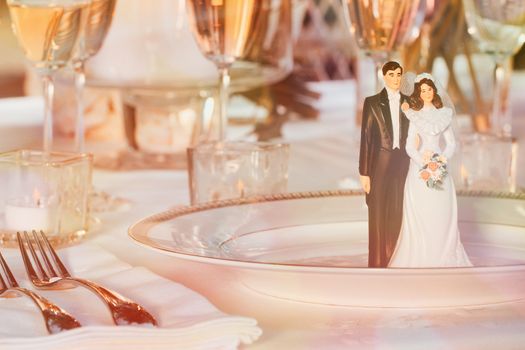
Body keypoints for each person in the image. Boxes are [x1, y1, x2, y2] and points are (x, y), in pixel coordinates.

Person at [388, 73, 472, 267]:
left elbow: (451, 144)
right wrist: (422, 163)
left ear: (434, 91)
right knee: (422, 211)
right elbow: (410, 147)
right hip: (420, 170)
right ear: (419, 92)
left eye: (429, 89)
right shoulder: (415, 116)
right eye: (423, 90)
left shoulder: (443, 114)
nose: (426, 93)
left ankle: (444, 254)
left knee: (440, 212)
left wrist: (440, 160)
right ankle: (421, 256)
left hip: (440, 168)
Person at [359, 61, 410, 268]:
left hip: (403, 162)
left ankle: (394, 257)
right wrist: (364, 172)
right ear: (384, 76)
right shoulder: (372, 102)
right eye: (392, 74)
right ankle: (377, 261)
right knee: (377, 210)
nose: (396, 78)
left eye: (399, 74)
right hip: (379, 163)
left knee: (398, 209)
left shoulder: (408, 102)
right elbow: (366, 138)